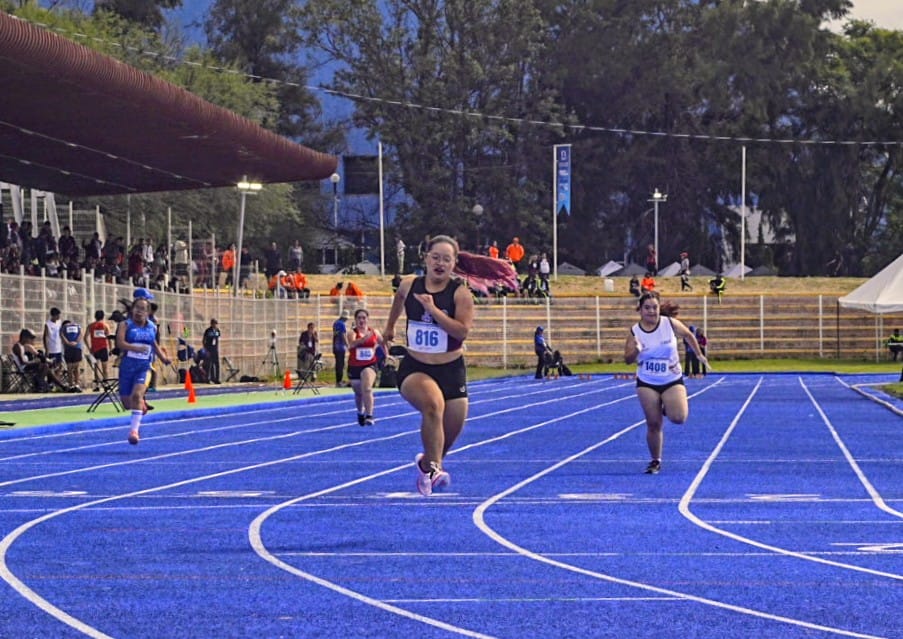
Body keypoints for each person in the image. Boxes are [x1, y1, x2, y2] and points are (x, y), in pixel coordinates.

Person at [383, 234, 475, 496]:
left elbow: (461, 332)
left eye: (447, 259)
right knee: (433, 405)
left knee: (451, 429)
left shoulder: (460, 293)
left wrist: (434, 311)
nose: (440, 263)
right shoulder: (410, 284)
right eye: (436, 257)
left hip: (451, 369)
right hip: (416, 367)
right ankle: (434, 471)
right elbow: (399, 299)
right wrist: (389, 328)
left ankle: (427, 463)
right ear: (426, 258)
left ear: (454, 263)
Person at [624, 291, 708, 475]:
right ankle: (655, 461)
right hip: (647, 381)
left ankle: (667, 406)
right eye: (647, 308)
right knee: (654, 424)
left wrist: (699, 354)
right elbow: (627, 360)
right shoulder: (635, 332)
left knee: (679, 417)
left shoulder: (669, 323)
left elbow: (688, 335)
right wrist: (636, 350)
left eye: (654, 307)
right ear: (640, 310)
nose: (651, 311)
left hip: (671, 379)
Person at [117, 291, 171, 445]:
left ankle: (134, 431)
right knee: (127, 404)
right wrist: (134, 348)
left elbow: (154, 344)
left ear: (148, 313)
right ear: (132, 310)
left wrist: (163, 358)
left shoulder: (152, 327)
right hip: (127, 367)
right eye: (137, 308)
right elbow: (120, 343)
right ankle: (141, 406)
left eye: (143, 309)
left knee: (136, 396)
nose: (139, 311)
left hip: (144, 367)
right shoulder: (125, 325)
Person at [346, 309, 385, 426]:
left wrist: (387, 354)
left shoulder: (375, 332)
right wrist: (364, 339)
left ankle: (369, 415)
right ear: (355, 320)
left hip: (370, 364)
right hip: (354, 365)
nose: (362, 320)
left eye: (364, 318)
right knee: (358, 392)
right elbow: (351, 344)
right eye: (359, 318)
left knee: (367, 388)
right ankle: (360, 412)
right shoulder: (352, 333)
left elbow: (383, 343)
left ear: (367, 319)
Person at [11, 328, 73, 392]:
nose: (32, 340)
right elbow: (22, 362)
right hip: (23, 368)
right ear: (24, 337)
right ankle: (42, 383)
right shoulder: (17, 347)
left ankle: (45, 384)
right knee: (45, 365)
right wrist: (35, 361)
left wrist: (36, 360)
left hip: (28, 366)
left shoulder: (23, 346)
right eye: (30, 338)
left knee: (46, 367)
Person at [85, 309, 112, 389]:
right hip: (103, 348)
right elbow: (109, 338)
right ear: (103, 316)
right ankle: (106, 384)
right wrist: (110, 349)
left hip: (94, 349)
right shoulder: (105, 325)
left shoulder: (90, 326)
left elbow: (85, 337)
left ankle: (97, 385)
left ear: (95, 316)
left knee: (96, 367)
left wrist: (89, 347)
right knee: (105, 367)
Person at [60, 318, 84, 390]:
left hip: (75, 348)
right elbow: (62, 335)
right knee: (70, 367)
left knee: (74, 367)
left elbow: (80, 334)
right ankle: (72, 384)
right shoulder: (63, 329)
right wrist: (70, 343)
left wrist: (74, 342)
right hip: (69, 348)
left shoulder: (77, 327)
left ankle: (76, 384)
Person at [332, 309, 350, 387]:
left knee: (338, 364)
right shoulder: (342, 324)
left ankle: (338, 380)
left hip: (335, 346)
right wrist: (348, 345)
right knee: (340, 364)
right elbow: (343, 336)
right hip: (340, 347)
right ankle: (339, 381)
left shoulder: (335, 323)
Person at [202, 319, 221, 384]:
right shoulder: (208, 331)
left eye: (216, 324)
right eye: (214, 324)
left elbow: (217, 338)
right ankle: (208, 378)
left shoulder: (217, 330)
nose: (215, 325)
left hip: (215, 349)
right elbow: (204, 340)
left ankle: (216, 378)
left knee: (216, 364)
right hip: (209, 349)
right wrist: (205, 349)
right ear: (211, 324)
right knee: (209, 364)